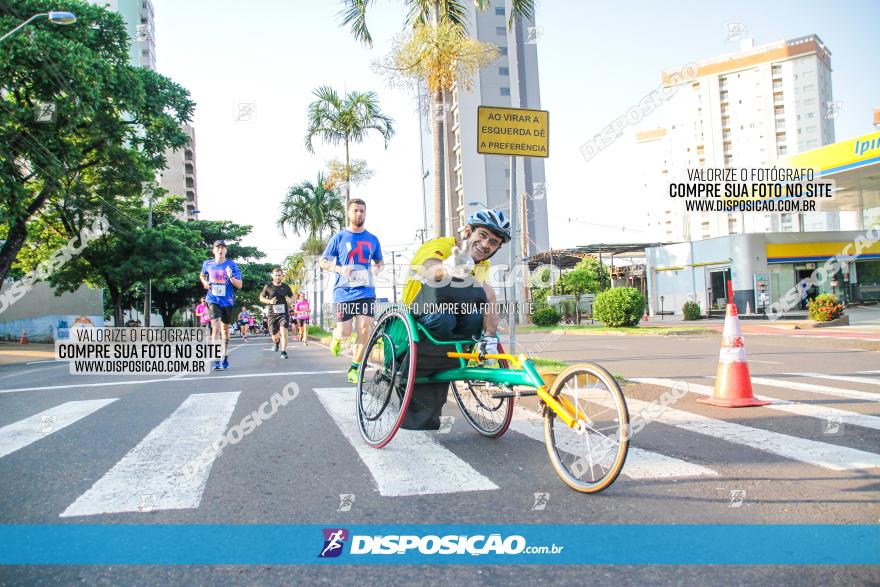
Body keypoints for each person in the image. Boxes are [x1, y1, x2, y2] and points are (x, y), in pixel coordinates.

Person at [397, 208, 510, 430]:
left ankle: (471, 342)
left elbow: (488, 295)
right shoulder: (442, 245)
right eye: (483, 235)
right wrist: (450, 266)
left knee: (473, 319)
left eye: (494, 242)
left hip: (452, 315)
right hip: (421, 311)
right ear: (468, 231)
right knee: (446, 318)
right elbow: (429, 269)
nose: (486, 244)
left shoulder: (482, 264)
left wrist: (489, 337)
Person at [320, 198, 384, 383]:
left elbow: (379, 261)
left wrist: (378, 268)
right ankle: (336, 337)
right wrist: (340, 269)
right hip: (343, 292)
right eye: (355, 210)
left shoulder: (373, 239)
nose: (359, 214)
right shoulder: (339, 237)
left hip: (366, 292)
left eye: (362, 211)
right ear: (348, 213)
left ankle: (354, 369)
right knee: (345, 333)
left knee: (364, 329)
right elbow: (323, 261)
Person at [200, 240, 243, 370]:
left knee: (225, 330)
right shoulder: (207, 264)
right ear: (213, 250)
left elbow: (239, 285)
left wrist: (230, 277)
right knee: (216, 328)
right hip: (213, 299)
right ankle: (216, 358)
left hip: (227, 301)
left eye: (223, 247)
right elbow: (202, 275)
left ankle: (225, 355)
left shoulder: (232, 265)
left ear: (226, 250)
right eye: (218, 247)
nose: (220, 249)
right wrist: (205, 282)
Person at [259, 267, 295, 359]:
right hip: (272, 315)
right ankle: (276, 342)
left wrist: (290, 300)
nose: (278, 277)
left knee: (284, 331)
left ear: (282, 276)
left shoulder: (286, 287)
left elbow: (293, 296)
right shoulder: (268, 286)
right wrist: (269, 301)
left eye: (279, 275)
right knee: (274, 337)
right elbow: (261, 297)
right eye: (276, 275)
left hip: (283, 314)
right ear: (272, 276)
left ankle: (283, 351)